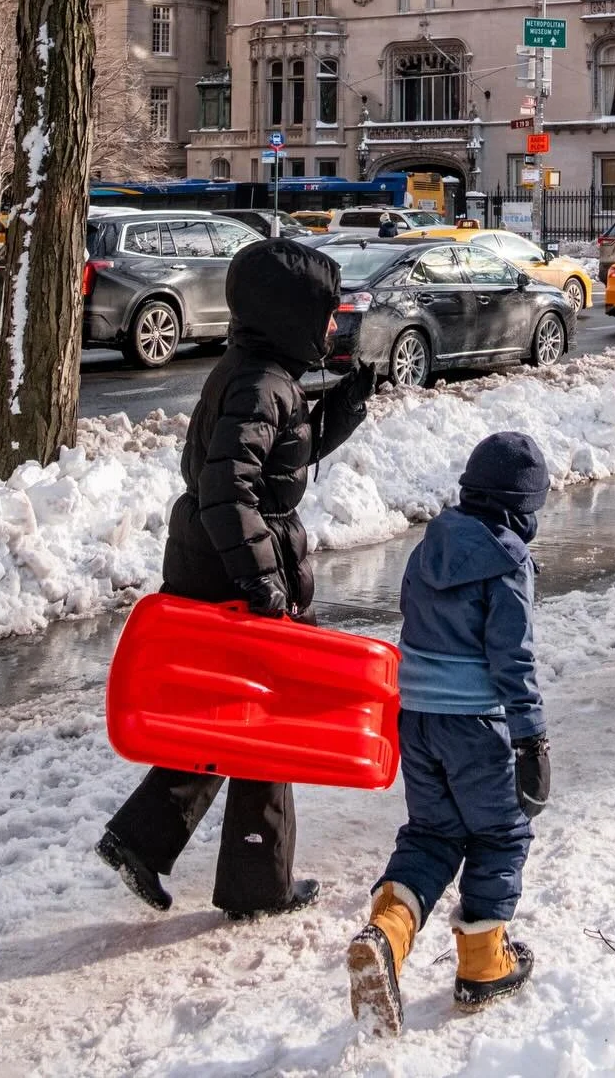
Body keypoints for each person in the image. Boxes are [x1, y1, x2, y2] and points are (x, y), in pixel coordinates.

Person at [97, 236, 371, 918]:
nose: (334, 324)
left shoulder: (263, 374)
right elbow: (229, 490)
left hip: (220, 561)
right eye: (326, 312)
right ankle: (257, 884)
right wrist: (260, 584)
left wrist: (346, 406)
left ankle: (143, 839)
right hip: (229, 572)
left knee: (230, 717)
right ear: (291, 313)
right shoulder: (257, 383)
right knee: (263, 722)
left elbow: (278, 460)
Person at [347, 431, 550, 1036]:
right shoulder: (508, 560)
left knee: (434, 833)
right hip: (475, 729)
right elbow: (513, 660)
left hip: (418, 721)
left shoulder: (429, 545)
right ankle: (484, 963)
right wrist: (531, 738)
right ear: (521, 504)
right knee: (500, 834)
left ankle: (385, 938)